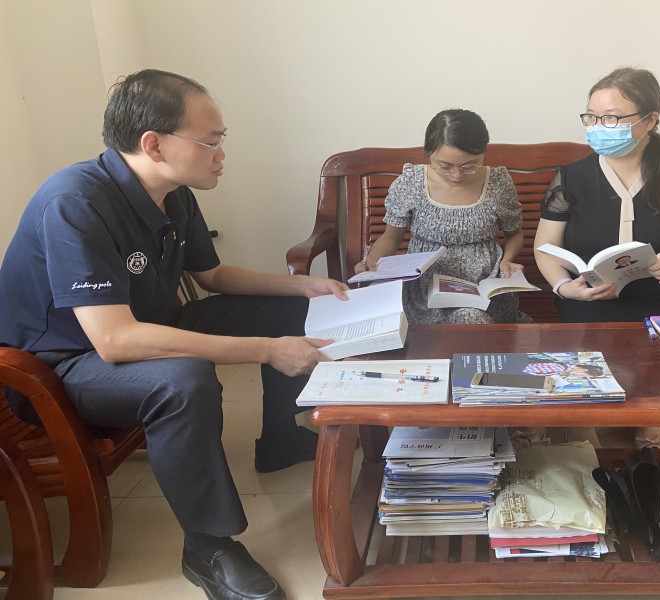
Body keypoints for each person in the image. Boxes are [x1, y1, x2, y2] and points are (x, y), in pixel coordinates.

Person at [0, 69, 350, 600]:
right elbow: (115, 341)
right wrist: (266, 351)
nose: (221, 155)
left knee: (287, 311)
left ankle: (280, 440)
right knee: (183, 381)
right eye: (211, 142)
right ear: (154, 144)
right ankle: (207, 548)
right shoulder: (76, 202)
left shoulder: (174, 194)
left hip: (145, 330)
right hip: (61, 369)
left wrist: (304, 286)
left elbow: (213, 276)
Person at [534, 67, 660, 449]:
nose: (599, 127)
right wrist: (564, 287)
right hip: (591, 298)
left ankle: (649, 414)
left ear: (650, 119)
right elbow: (545, 244)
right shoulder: (574, 176)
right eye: (592, 117)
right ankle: (584, 418)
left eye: (612, 118)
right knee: (585, 336)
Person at [353, 109, 530, 324]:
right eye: (445, 166)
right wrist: (371, 264)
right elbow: (391, 237)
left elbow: (514, 234)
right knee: (468, 323)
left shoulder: (498, 182)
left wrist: (508, 260)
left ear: (484, 151)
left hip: (485, 287)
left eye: (469, 165)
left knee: (472, 318)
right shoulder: (411, 182)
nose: (456, 175)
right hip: (425, 290)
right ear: (428, 153)